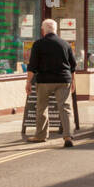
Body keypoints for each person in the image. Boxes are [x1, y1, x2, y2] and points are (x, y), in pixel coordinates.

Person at [26, 19, 77, 147]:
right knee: (65, 107)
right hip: (64, 80)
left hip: (44, 80)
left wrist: (28, 82)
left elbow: (32, 65)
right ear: (56, 30)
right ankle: (67, 136)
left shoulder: (38, 44)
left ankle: (41, 135)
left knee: (41, 107)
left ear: (43, 30)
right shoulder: (65, 44)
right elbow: (73, 65)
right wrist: (74, 81)